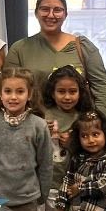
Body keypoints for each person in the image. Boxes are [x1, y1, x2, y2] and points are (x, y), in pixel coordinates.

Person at [5, 0, 106, 117]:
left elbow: (102, 87)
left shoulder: (82, 47)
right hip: (34, 129)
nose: (51, 15)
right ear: (36, 13)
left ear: (65, 14)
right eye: (44, 9)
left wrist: (97, 122)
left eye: (57, 10)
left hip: (78, 130)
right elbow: (8, 90)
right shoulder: (19, 49)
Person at [0, 68, 53, 211]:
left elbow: (46, 164)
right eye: (8, 91)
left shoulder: (38, 125)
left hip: (26, 201)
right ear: (0, 95)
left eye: (20, 91)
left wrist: (42, 196)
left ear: (29, 95)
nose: (13, 97)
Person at [42, 65, 95, 193]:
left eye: (72, 91)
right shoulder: (43, 115)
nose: (67, 97)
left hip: (75, 185)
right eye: (61, 91)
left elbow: (94, 149)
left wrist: (73, 144)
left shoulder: (85, 118)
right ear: (52, 93)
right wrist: (41, 130)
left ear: (80, 93)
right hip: (47, 183)